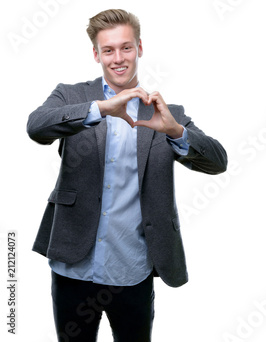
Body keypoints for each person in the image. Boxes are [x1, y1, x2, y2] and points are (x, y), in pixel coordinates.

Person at [27, 9, 227, 341]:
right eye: (108, 50)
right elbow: (37, 127)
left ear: (140, 48)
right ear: (96, 54)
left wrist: (177, 132)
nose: (118, 59)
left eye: (126, 48)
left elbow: (217, 161)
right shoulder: (71, 96)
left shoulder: (166, 113)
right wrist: (101, 109)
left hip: (132, 269)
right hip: (74, 265)